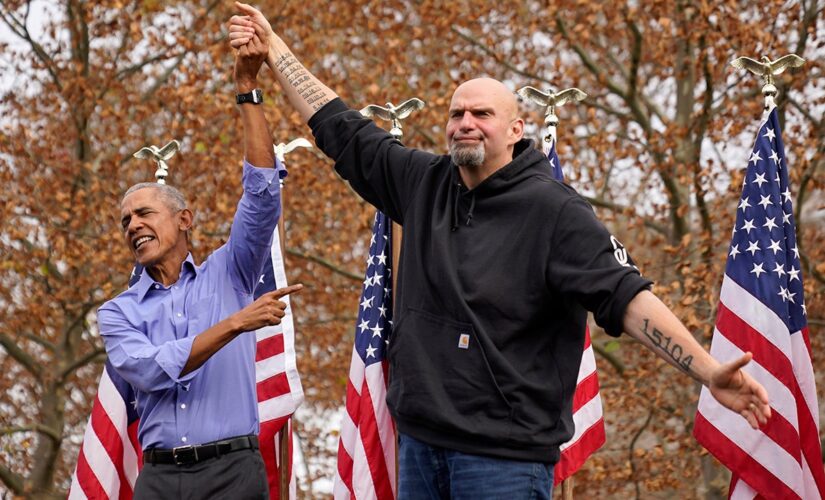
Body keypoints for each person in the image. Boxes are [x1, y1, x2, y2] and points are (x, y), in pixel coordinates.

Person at [229, 4, 771, 499]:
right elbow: (339, 127)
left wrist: (706, 370)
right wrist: (274, 50)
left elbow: (626, 298)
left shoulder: (555, 212)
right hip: (419, 447)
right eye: (457, 112)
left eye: (482, 114)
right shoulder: (423, 182)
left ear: (515, 130)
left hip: (503, 463)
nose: (465, 122)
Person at [97, 17, 300, 500]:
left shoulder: (231, 271)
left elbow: (262, 195)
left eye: (144, 213)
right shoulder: (117, 312)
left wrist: (247, 88)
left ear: (184, 219)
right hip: (159, 479)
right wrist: (236, 323)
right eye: (125, 221)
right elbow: (149, 371)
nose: (133, 226)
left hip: (234, 472)